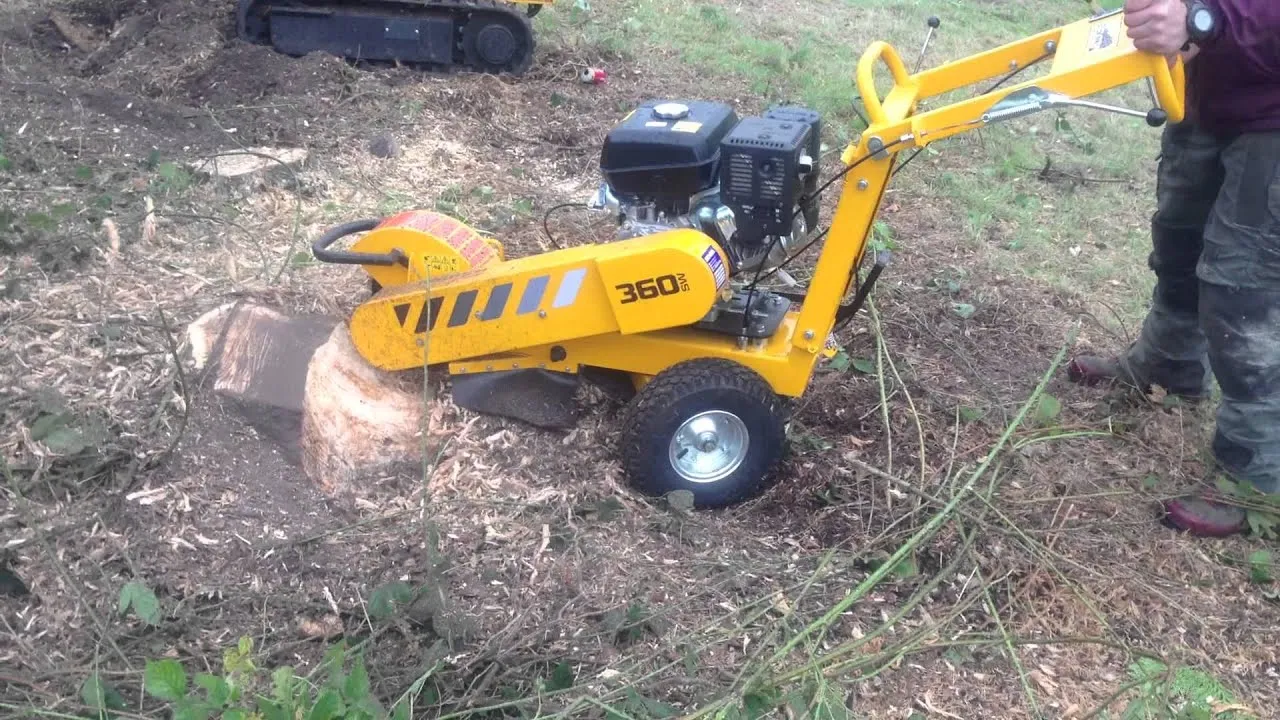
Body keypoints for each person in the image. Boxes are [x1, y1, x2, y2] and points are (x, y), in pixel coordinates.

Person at [1066, 0, 1280, 537]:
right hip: (1203, 89)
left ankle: (1255, 474)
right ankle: (1170, 363)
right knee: (1179, 243)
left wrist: (1209, 19)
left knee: (1243, 287)